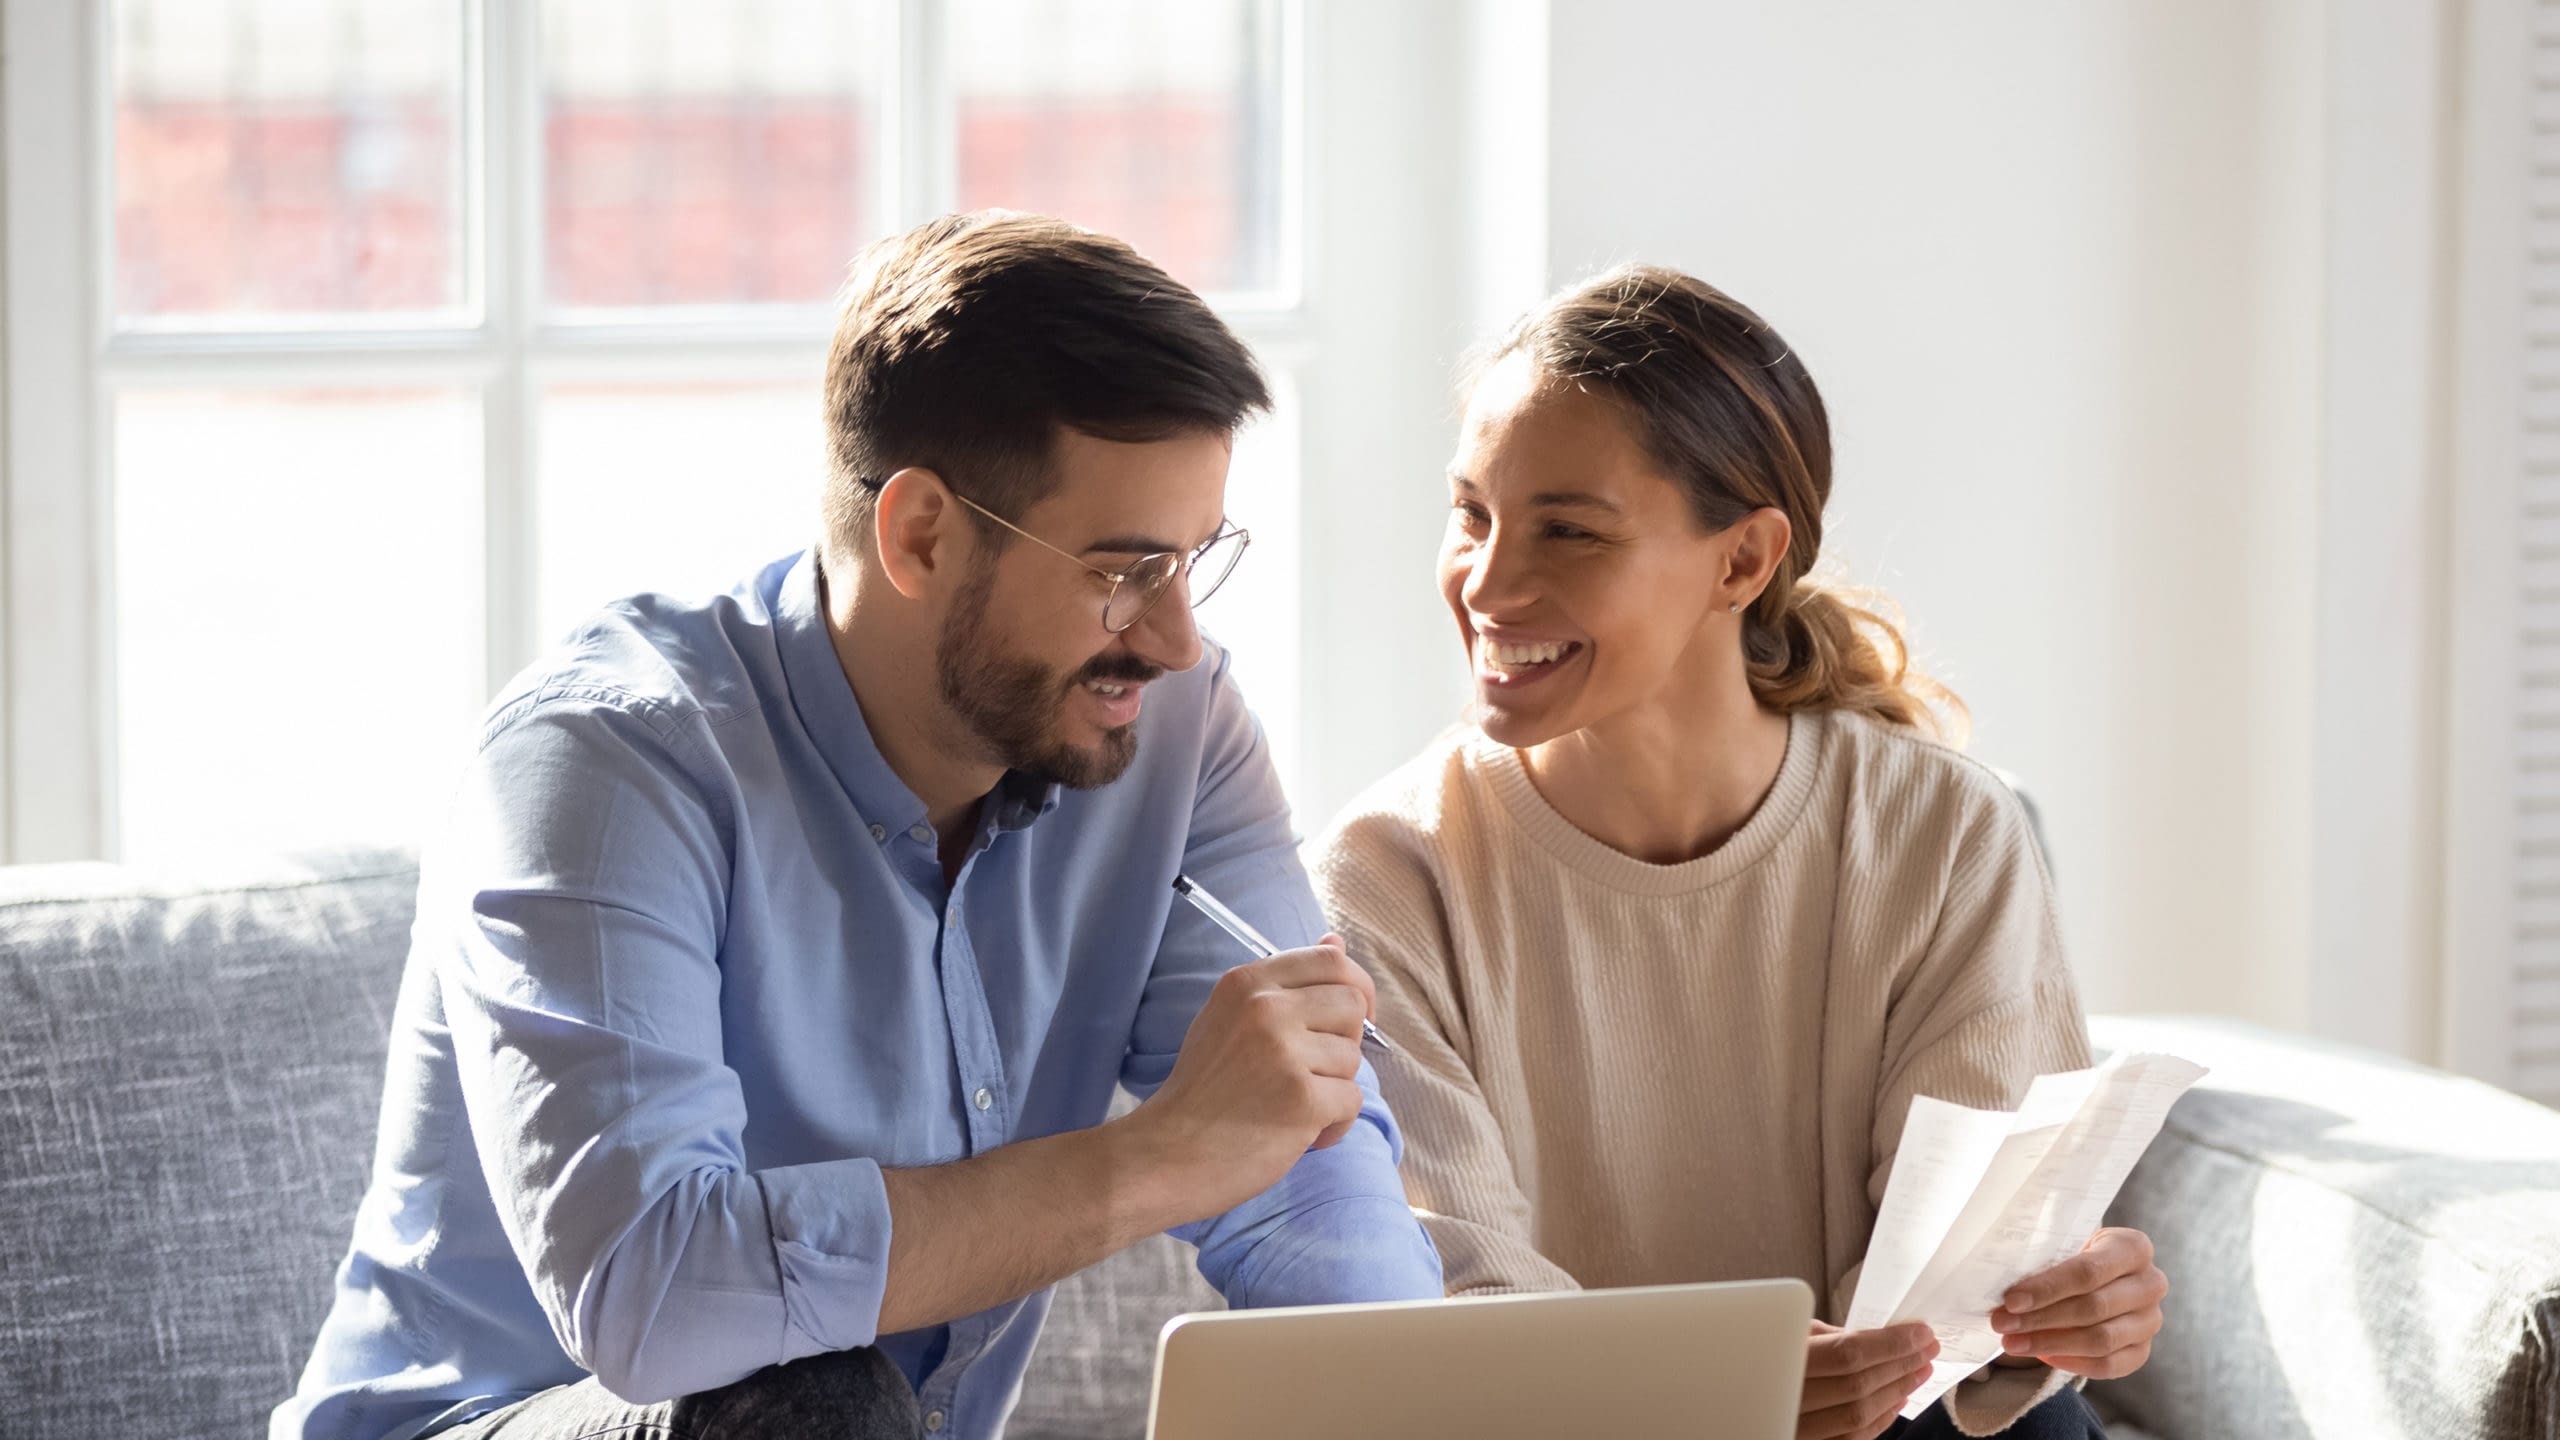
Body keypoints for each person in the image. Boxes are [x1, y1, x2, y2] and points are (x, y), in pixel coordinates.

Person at [274, 212, 1442, 1440]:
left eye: (1194, 562)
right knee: (814, 1401)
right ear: (920, 533)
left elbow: (1298, 1161)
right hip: (523, 1420)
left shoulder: (1174, 729)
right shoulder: (603, 761)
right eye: (1122, 570)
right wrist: (1153, 1160)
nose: (1174, 638)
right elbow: (655, 1296)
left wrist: (1427, 1412)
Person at [1307, 266, 2165, 1440]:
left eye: (1566, 529)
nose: (1489, 584)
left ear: (1742, 560)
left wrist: (2051, 1320)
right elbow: (1463, 1307)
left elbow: (1954, 1296)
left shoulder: (1941, 833)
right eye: (1471, 514)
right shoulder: (1385, 875)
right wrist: (1721, 1395)